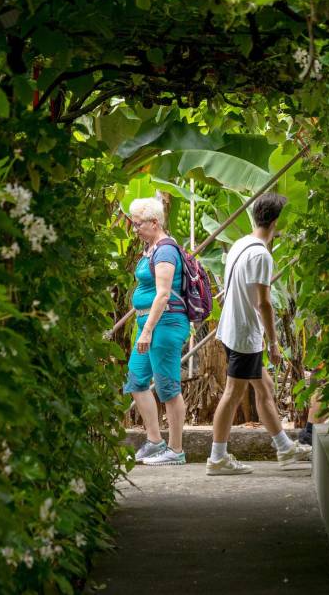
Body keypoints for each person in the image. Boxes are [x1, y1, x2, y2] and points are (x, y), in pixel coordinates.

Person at [206, 192, 312, 475]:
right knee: (232, 394)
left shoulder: (241, 244)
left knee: (264, 388)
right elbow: (263, 303)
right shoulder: (261, 254)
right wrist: (274, 342)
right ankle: (217, 458)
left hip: (233, 329)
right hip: (244, 334)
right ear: (276, 221)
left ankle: (284, 448)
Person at [123, 196, 191, 466]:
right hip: (148, 324)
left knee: (168, 386)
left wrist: (147, 330)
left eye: (138, 224)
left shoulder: (165, 251)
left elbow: (163, 295)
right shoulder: (150, 249)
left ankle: (176, 450)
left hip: (165, 324)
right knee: (136, 380)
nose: (135, 229)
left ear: (154, 222)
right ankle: (154, 441)